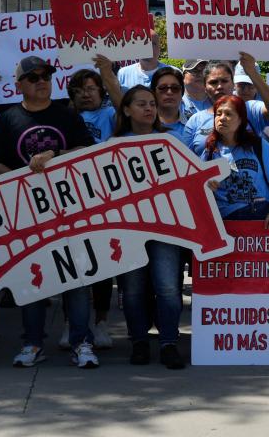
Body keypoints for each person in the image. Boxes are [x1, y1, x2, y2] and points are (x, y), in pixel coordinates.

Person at [0, 56, 98, 368]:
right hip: (26, 217)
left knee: (77, 280)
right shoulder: (7, 120)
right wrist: (22, 180)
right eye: (33, 78)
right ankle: (32, 344)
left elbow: (88, 152)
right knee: (32, 282)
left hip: (69, 211)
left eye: (46, 75)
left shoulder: (66, 115)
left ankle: (82, 342)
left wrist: (54, 154)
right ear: (18, 85)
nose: (41, 81)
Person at [111, 85, 187, 369]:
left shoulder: (173, 140)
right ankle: (139, 341)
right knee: (132, 290)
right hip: (129, 230)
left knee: (167, 287)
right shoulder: (113, 144)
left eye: (152, 104)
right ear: (127, 110)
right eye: (141, 103)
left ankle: (169, 342)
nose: (149, 108)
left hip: (166, 228)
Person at [60, 58, 123, 351]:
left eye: (91, 88)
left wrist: (107, 74)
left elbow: (124, 105)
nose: (86, 94)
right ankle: (71, 323)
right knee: (70, 266)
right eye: (79, 89)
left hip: (103, 200)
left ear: (101, 91)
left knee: (101, 266)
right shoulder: (62, 117)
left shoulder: (110, 115)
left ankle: (99, 322)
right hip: (69, 202)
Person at [203, 94, 269, 222]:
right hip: (226, 222)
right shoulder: (210, 151)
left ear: (241, 120)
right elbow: (200, 192)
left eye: (229, 114)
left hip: (260, 218)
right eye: (218, 114)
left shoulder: (258, 145)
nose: (222, 118)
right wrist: (207, 186)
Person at [182, 56, 269, 155]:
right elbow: (184, 160)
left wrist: (252, 72)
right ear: (205, 87)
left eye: (224, 81)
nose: (220, 86)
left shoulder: (249, 110)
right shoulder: (195, 121)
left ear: (233, 84)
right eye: (213, 82)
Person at [151, 67, 188, 139]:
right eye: (163, 88)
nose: (169, 92)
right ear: (153, 92)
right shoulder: (143, 125)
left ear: (182, 92)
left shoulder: (193, 123)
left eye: (175, 88)